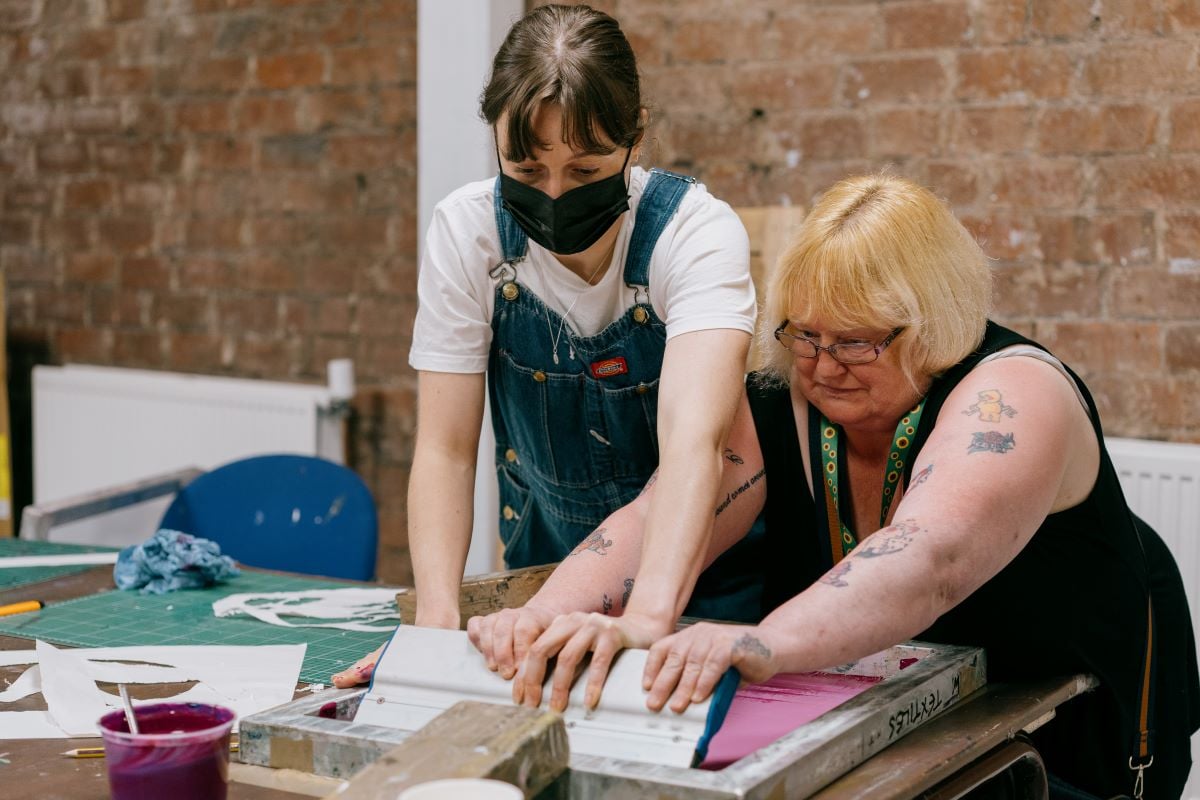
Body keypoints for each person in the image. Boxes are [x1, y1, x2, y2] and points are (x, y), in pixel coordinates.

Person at [470, 175, 1200, 798]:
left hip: (1063, 732)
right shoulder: (786, 395)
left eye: (855, 341)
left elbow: (930, 557)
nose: (822, 365)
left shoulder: (1011, 394)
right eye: (806, 335)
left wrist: (761, 643)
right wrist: (542, 619)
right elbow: (664, 513)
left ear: (934, 326)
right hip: (904, 719)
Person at [332, 4, 760, 688]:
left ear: (635, 139)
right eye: (528, 172)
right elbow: (444, 448)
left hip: (696, 593)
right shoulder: (468, 236)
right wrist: (436, 625)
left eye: (586, 171)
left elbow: (694, 445)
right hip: (543, 579)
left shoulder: (696, 235)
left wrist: (646, 619)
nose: (556, 195)